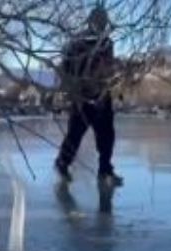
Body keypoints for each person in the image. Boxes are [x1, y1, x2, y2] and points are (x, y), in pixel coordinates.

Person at [55, 6, 123, 187]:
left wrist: (112, 79)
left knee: (107, 136)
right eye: (99, 21)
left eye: (104, 22)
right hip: (82, 96)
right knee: (75, 134)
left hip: (102, 95)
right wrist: (72, 91)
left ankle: (105, 170)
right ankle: (62, 163)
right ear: (91, 21)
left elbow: (108, 69)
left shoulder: (107, 43)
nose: (102, 24)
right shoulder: (77, 42)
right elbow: (65, 69)